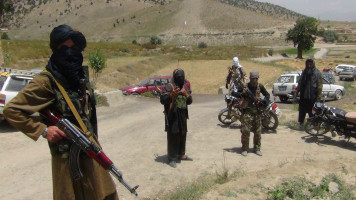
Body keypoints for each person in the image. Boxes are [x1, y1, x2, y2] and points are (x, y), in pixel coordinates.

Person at [3, 24, 119, 200]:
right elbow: (12, 110)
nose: (70, 53)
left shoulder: (77, 77)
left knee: (104, 193)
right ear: (54, 49)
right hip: (67, 159)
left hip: (89, 149)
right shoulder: (46, 81)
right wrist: (43, 130)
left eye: (74, 48)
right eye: (64, 48)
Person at [160, 68, 193, 168]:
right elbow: (162, 100)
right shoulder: (169, 87)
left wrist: (186, 94)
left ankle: (181, 154)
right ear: (175, 77)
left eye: (182, 77)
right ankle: (172, 157)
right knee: (173, 135)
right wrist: (171, 95)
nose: (181, 79)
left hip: (183, 115)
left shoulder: (184, 87)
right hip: (172, 115)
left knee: (183, 133)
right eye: (179, 77)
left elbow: (190, 101)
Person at [239, 71, 270, 156]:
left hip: (257, 112)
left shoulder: (260, 86)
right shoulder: (246, 87)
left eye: (256, 78)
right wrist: (243, 95)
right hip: (247, 112)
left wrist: (264, 101)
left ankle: (257, 148)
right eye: (253, 78)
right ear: (250, 78)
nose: (255, 80)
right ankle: (245, 148)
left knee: (258, 132)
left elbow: (267, 95)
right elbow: (237, 93)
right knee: (245, 131)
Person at [295, 58, 322, 129]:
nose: (309, 65)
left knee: (312, 112)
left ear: (313, 64)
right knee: (302, 111)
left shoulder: (317, 73)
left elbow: (320, 86)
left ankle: (312, 125)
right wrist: (297, 91)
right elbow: (300, 82)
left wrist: (319, 97)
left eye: (310, 64)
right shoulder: (304, 72)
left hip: (312, 96)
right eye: (308, 64)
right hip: (303, 96)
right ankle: (301, 124)